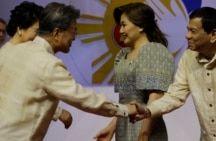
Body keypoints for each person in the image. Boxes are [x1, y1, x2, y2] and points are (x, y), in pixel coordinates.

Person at [0, 2, 137, 141]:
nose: (74, 37)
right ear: (56, 33)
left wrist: (57, 113)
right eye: (73, 32)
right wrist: (125, 109)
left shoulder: (11, 49)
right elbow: (84, 99)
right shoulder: (48, 64)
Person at [131, 7, 216, 141]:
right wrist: (148, 110)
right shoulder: (188, 58)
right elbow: (175, 96)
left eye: (193, 31)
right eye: (188, 30)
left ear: (213, 35)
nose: (187, 35)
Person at [94, 2, 174, 141]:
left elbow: (156, 97)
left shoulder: (153, 51)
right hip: (124, 129)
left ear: (141, 26)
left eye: (124, 25)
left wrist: (144, 134)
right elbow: (128, 102)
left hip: (146, 129)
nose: (120, 31)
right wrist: (111, 128)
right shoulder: (123, 55)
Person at [2, 1, 72, 129]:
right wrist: (59, 113)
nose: (40, 37)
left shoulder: (15, 53)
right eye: (37, 31)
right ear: (20, 29)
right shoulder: (10, 56)